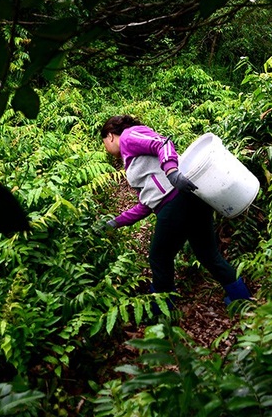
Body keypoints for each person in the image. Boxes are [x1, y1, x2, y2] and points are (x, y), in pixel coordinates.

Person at [96, 115, 252, 310]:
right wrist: (116, 222)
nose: (107, 150)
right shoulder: (132, 153)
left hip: (176, 203)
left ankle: (162, 309)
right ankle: (241, 298)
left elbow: (162, 144)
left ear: (110, 136)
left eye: (104, 144)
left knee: (159, 257)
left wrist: (171, 171)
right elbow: (147, 203)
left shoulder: (128, 137)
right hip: (191, 198)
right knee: (207, 254)